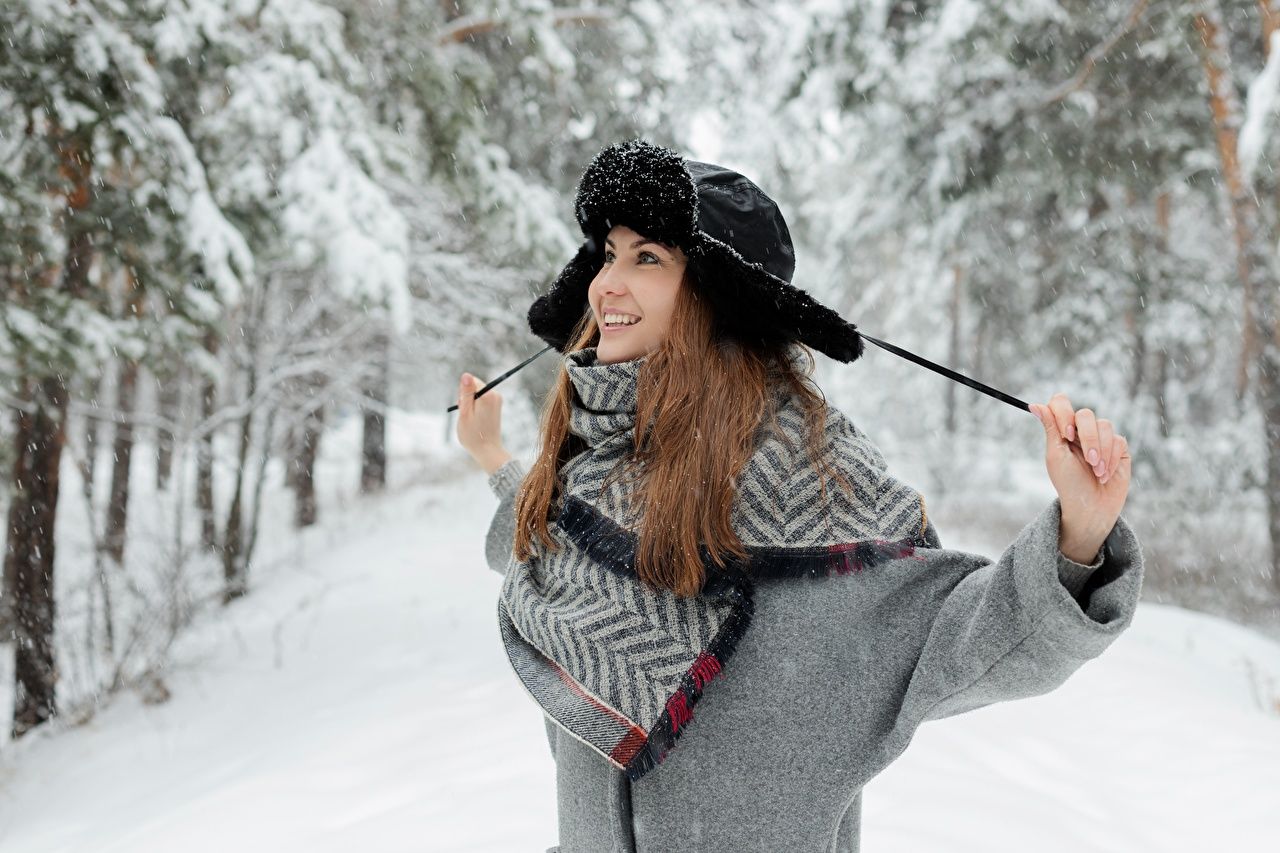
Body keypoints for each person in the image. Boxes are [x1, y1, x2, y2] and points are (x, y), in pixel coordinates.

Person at [455, 139, 1142, 853]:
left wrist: (1080, 539)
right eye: (608, 253)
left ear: (717, 300)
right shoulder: (595, 466)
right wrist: (494, 458)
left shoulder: (822, 498)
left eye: (647, 258)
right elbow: (536, 539)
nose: (605, 286)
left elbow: (967, 641)